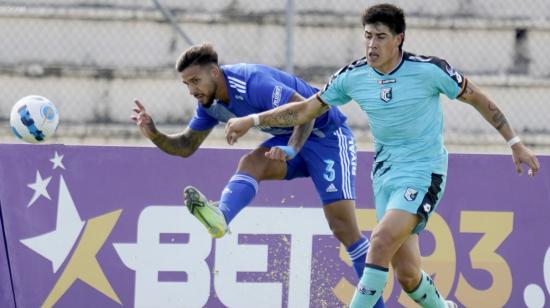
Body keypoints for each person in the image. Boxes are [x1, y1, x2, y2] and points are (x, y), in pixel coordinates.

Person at [225, 4, 541, 308]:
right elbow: (305, 109)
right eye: (367, 36)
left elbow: (478, 99)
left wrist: (514, 141)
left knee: (379, 242)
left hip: (423, 171)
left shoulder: (429, 70)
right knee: (408, 275)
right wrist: (251, 120)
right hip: (385, 176)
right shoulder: (352, 77)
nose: (371, 44)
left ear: (399, 39)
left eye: (380, 37)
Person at [131, 43, 386, 307]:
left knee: (344, 229)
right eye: (187, 84)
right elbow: (186, 146)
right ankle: (221, 217)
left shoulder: (251, 82)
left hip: (328, 139)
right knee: (251, 163)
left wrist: (289, 147)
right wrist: (155, 135)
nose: (192, 90)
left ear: (215, 73)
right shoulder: (210, 104)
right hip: (288, 139)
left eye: (196, 81)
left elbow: (306, 112)